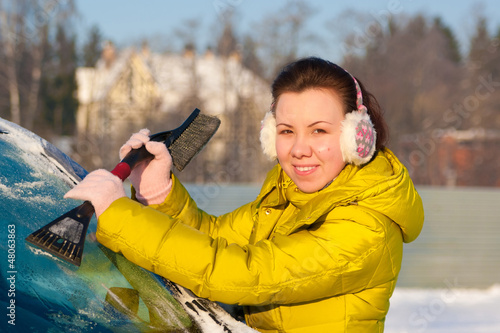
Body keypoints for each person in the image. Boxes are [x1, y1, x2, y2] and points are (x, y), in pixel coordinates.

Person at [65, 57, 424, 332]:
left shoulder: (366, 227)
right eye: (286, 131)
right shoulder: (289, 197)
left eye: (318, 131)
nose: (299, 149)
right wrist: (158, 191)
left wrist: (119, 214)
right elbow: (213, 240)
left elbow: (241, 274)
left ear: (355, 136)